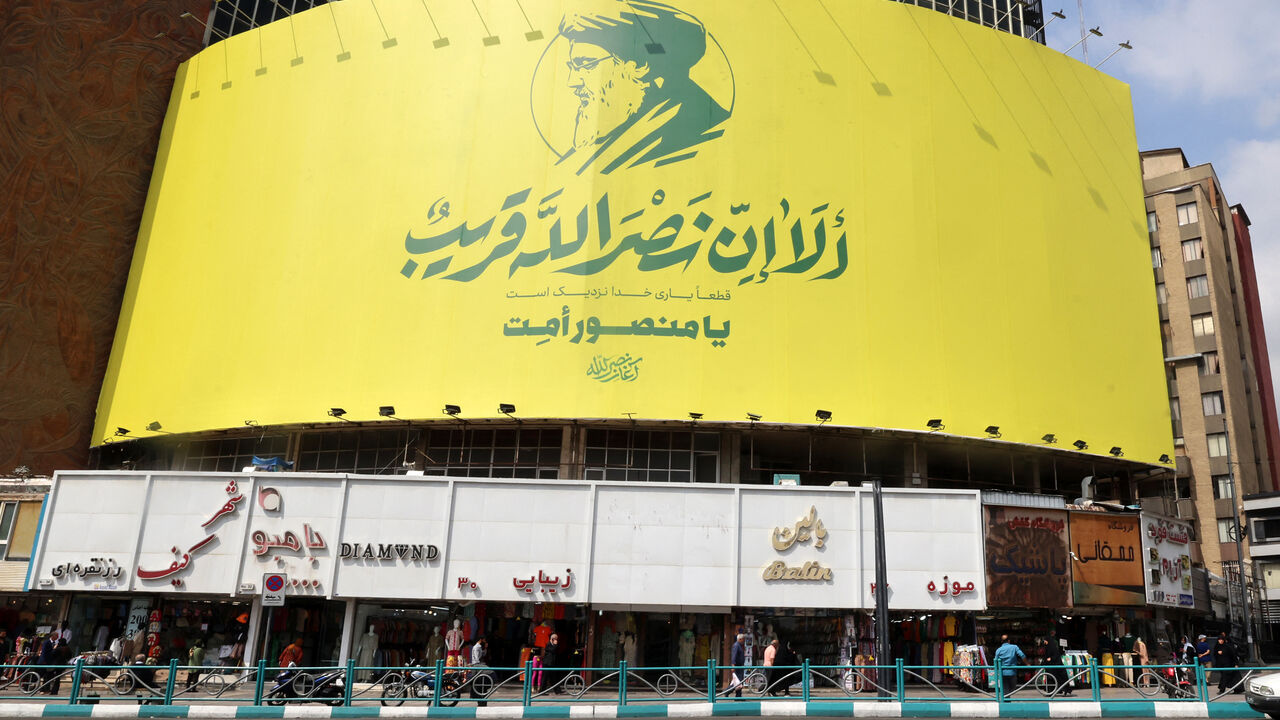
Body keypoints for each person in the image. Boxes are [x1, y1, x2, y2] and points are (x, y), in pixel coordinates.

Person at [554, 1, 731, 175]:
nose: (573, 82)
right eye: (572, 67)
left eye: (586, 65)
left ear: (639, 67)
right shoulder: (620, 132)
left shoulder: (702, 135)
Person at [994, 635, 1025, 699]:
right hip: (1012, 672)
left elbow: (995, 661)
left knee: (1005, 690)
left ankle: (1006, 702)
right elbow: (1022, 655)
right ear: (1009, 641)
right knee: (1012, 688)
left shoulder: (998, 650)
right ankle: (1007, 701)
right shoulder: (1014, 647)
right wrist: (1028, 664)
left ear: (1001, 641)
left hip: (1003, 672)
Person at [729, 633, 746, 698]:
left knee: (738, 681)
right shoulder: (736, 645)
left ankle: (738, 695)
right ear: (740, 639)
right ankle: (728, 691)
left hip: (740, 666)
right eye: (743, 639)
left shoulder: (740, 646)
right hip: (737, 666)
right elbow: (734, 656)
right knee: (738, 681)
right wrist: (733, 665)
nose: (744, 641)